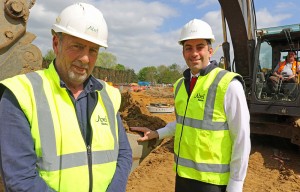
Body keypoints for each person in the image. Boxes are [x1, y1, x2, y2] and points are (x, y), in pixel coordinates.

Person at [0, 3, 132, 192]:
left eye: (93, 50)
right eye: (77, 46)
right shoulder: (21, 94)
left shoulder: (109, 95)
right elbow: (20, 179)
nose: (85, 58)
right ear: (56, 43)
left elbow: (124, 153)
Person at [131, 19, 250, 192]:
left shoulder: (228, 85)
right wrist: (157, 133)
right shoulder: (180, 85)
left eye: (199, 47)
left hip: (213, 182)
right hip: (183, 177)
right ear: (183, 53)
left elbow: (241, 137)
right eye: (188, 48)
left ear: (210, 51)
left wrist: (236, 184)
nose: (194, 53)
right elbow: (184, 123)